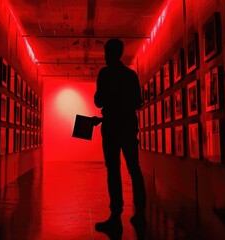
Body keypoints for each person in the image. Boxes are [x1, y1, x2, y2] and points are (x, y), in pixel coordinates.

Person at [93, 38, 147, 234]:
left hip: (111, 126)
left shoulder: (105, 74)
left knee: (113, 170)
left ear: (111, 54)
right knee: (134, 168)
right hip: (128, 125)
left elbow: (98, 101)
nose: (106, 57)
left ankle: (115, 216)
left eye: (107, 53)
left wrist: (110, 101)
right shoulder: (131, 75)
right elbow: (138, 103)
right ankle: (140, 214)